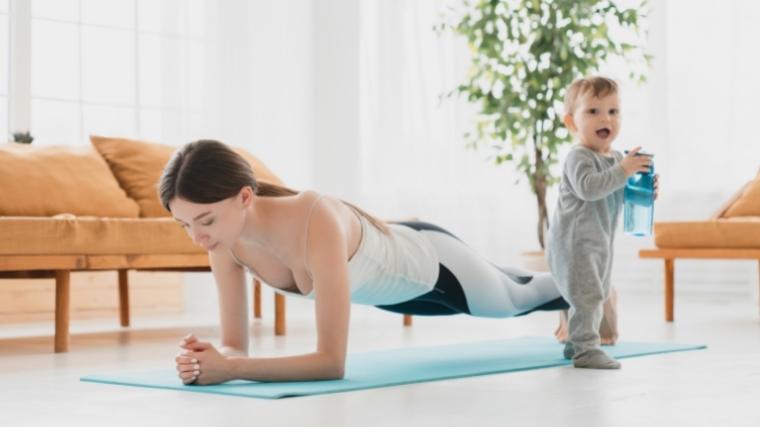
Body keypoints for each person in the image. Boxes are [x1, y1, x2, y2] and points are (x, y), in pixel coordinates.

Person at [163, 140, 578, 385]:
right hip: (391, 294)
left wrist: (233, 370)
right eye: (184, 225)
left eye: (206, 220)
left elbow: (330, 363)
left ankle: (595, 291)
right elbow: (235, 346)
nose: (198, 237)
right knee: (513, 280)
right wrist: (208, 359)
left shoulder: (314, 217)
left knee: (521, 297)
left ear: (245, 197)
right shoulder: (224, 245)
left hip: (433, 264)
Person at [546, 76, 659, 370]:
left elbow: (617, 192)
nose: (604, 118)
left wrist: (644, 188)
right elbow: (590, 188)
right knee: (588, 294)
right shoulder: (578, 158)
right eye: (593, 111)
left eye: (612, 111)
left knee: (596, 289)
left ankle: (575, 344)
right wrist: (623, 170)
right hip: (574, 243)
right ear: (572, 123)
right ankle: (586, 349)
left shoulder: (615, 158)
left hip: (598, 241)